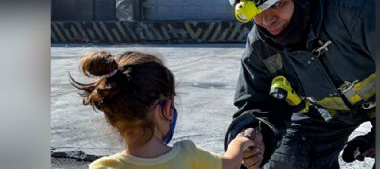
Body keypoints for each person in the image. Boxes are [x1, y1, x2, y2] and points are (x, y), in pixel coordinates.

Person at [222, 0, 375, 168]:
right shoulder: (260, 45)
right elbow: (256, 104)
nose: (266, 21)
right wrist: (253, 134)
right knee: (288, 161)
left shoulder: (362, 7)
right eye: (257, 10)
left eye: (277, 4)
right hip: (325, 114)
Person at [70, 51, 255, 169]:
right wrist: (240, 142)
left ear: (111, 116)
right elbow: (230, 164)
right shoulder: (189, 156)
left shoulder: (102, 167)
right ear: (166, 109)